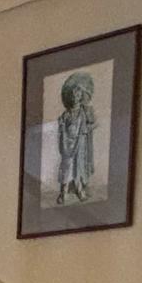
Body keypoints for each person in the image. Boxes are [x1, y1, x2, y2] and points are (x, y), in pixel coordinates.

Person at [55, 70, 97, 205]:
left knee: (78, 167)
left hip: (80, 144)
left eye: (78, 94)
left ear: (81, 97)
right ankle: (63, 192)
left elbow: (93, 124)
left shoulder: (85, 112)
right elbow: (62, 128)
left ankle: (80, 190)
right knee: (66, 166)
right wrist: (61, 126)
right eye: (73, 94)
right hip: (68, 144)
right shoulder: (66, 114)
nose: (75, 96)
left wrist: (87, 129)